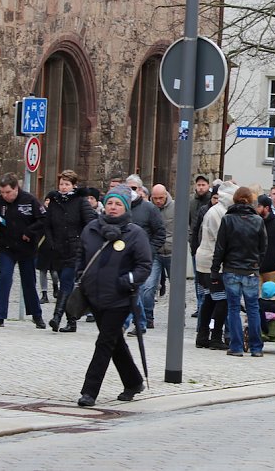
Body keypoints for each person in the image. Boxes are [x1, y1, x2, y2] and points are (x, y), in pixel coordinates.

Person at [76, 185, 152, 407]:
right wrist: (81, 276)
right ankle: (133, 382)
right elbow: (80, 255)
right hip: (94, 296)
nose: (113, 207)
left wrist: (127, 281)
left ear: (126, 207)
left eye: (118, 204)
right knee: (114, 342)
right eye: (110, 203)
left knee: (104, 342)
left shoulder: (135, 234)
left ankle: (89, 391)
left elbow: (144, 265)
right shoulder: (91, 229)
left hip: (119, 298)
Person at [0, 173, 47, 329]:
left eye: (8, 192)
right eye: (2, 192)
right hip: (7, 247)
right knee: (4, 278)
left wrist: (30, 232)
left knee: (29, 282)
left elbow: (44, 220)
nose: (5, 196)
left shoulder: (30, 200)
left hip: (27, 248)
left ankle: (36, 315)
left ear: (16, 189)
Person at [211, 186, 267, 357]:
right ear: (251, 201)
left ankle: (236, 346)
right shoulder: (258, 221)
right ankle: (256, 347)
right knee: (253, 308)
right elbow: (263, 248)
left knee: (233, 308)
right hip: (250, 269)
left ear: (234, 200)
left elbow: (220, 247)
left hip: (231, 269)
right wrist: (257, 264)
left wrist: (215, 269)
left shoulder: (228, 219)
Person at [44, 170, 98, 333]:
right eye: (61, 184)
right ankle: (71, 321)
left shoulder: (81, 201)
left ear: (73, 185)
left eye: (67, 184)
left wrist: (81, 242)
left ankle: (56, 317)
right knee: (64, 285)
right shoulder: (54, 200)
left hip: (75, 249)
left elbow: (91, 223)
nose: (63, 187)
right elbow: (47, 224)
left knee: (66, 283)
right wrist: (51, 241)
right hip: (58, 249)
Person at [195, 183, 233, 350]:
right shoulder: (219, 213)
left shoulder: (217, 211)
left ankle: (202, 335)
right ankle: (216, 336)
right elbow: (222, 239)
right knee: (221, 300)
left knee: (209, 299)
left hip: (206, 260)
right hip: (211, 261)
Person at [125, 174, 165, 334]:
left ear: (140, 190)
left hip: (143, 257)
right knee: (129, 290)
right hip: (124, 255)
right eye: (128, 189)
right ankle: (134, 322)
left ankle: (138, 322)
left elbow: (160, 232)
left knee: (140, 290)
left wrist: (149, 250)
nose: (131, 192)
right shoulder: (122, 207)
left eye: (134, 188)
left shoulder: (149, 209)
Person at [142, 184, 174, 328]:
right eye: (155, 198)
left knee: (177, 287)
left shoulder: (175, 207)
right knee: (149, 286)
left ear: (166, 195)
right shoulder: (149, 209)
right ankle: (148, 318)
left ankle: (177, 316)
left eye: (161, 198)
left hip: (173, 252)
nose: (158, 201)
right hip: (155, 252)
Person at [189, 175, 212, 317]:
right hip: (195, 245)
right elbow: (190, 223)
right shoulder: (192, 203)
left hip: (207, 246)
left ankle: (205, 306)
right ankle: (200, 306)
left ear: (208, 186)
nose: (201, 187)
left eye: (203, 184)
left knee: (206, 279)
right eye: (199, 185)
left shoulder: (211, 201)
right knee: (198, 279)